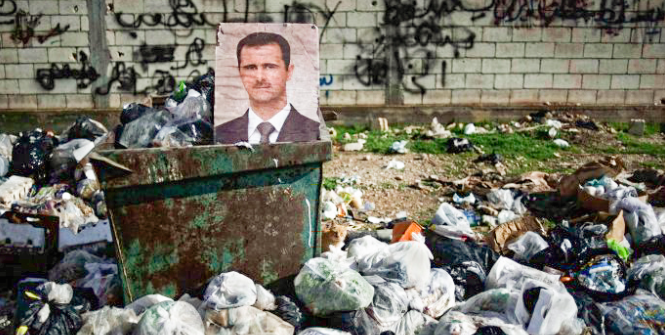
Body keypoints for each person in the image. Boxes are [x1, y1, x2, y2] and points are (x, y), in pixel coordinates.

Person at [215, 32, 321, 144]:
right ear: (239, 72)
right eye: (250, 68)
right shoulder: (220, 134)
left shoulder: (315, 133)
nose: (260, 78)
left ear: (289, 72)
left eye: (270, 67)